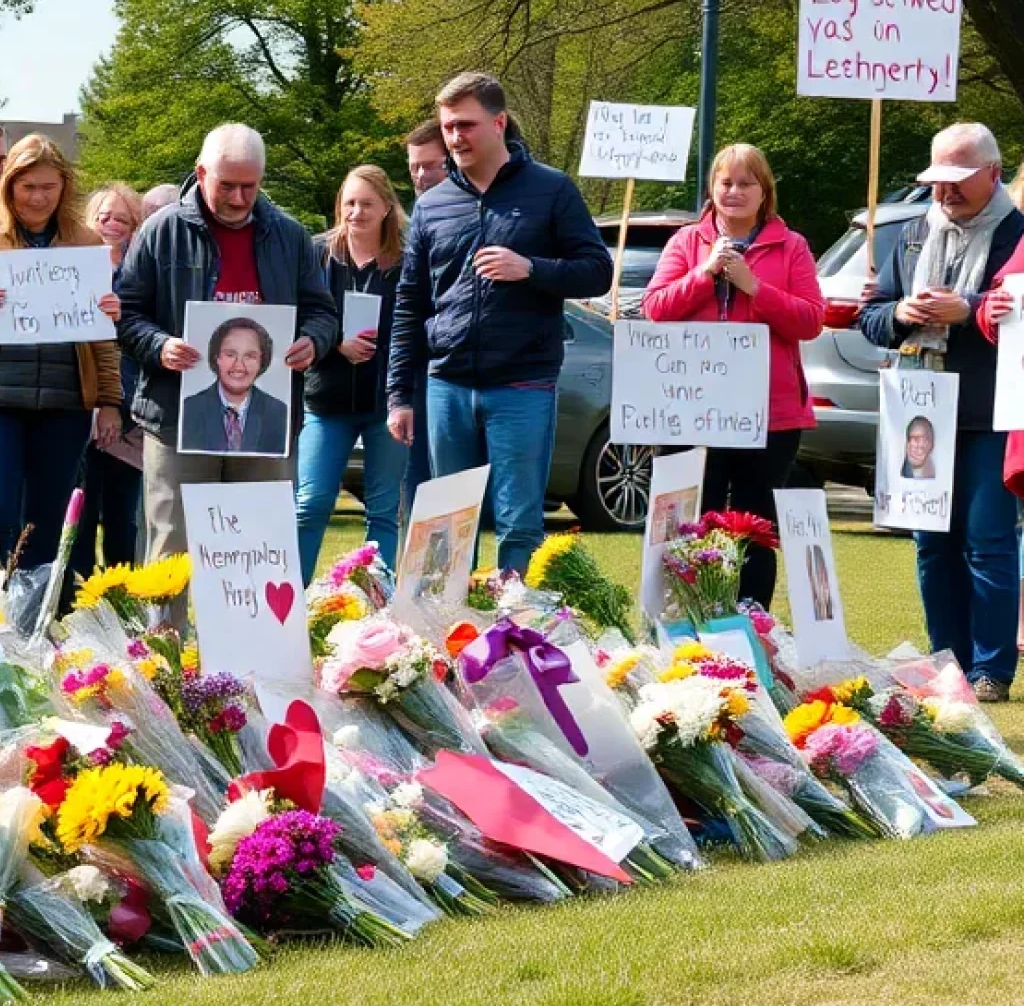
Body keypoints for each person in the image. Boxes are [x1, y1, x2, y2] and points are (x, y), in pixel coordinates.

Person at [387, 72, 610, 575]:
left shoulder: (551, 190)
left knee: (518, 522)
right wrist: (399, 395)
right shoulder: (432, 205)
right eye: (447, 127)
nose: (455, 138)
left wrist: (530, 267)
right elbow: (410, 303)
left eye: (465, 125)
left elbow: (598, 271)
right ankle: (449, 636)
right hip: (446, 384)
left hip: (522, 383)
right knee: (449, 522)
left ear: (499, 123)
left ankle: (513, 639)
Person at [117, 124, 338, 560]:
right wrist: (159, 345)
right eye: (227, 186)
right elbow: (126, 313)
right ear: (201, 174)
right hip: (175, 418)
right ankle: (168, 632)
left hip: (267, 425)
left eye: (249, 187)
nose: (239, 199)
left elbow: (323, 312)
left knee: (259, 549)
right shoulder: (159, 232)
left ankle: (252, 631)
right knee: (172, 548)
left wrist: (314, 340)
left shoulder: (290, 236)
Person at [863, 122, 1024, 702]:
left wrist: (971, 310)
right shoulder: (910, 236)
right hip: (919, 411)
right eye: (936, 181)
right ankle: (947, 663)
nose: (945, 193)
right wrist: (904, 312)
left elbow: (1018, 312)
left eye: (957, 181)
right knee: (930, 544)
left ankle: (990, 671)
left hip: (988, 412)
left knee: (988, 540)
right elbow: (872, 318)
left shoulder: (1019, 234)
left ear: (993, 174)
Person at [641, 143, 825, 606]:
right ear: (712, 188)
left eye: (747, 183)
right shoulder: (687, 242)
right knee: (689, 523)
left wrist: (754, 287)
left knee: (754, 526)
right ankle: (690, 625)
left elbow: (809, 321)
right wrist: (704, 275)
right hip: (693, 406)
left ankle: (752, 624)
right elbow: (654, 309)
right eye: (726, 182)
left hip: (769, 414)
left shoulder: (792, 246)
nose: (735, 191)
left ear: (765, 192)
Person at [0, 135, 123, 568]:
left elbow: (102, 340)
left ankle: (32, 626)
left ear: (64, 188)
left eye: (48, 187)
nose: (38, 198)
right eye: (28, 187)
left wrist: (110, 400)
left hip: (65, 402)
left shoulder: (88, 243)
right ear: (9, 186)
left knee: (45, 522)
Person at [295, 165, 411, 582]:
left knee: (383, 511)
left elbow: (417, 326)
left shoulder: (406, 263)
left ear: (386, 208)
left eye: (366, 204)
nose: (356, 212)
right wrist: (334, 343)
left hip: (386, 405)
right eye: (349, 203)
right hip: (325, 402)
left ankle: (378, 615)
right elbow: (297, 318)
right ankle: (291, 607)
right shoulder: (315, 255)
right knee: (310, 502)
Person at [69, 184, 146, 581]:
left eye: (123, 219)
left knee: (122, 513)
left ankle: (121, 598)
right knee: (81, 508)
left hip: (130, 411)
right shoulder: (70, 268)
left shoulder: (140, 275)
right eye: (104, 217)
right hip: (79, 402)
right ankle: (77, 597)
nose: (112, 225)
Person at [402, 120, 449, 517]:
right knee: (414, 488)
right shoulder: (417, 219)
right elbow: (408, 303)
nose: (420, 176)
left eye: (430, 165)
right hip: (419, 368)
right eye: (414, 166)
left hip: (457, 368)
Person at [181, 317, 291, 454]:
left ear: (261, 362)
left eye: (249, 356)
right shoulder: (190, 408)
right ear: (217, 358)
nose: (239, 365)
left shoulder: (278, 412)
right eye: (230, 354)